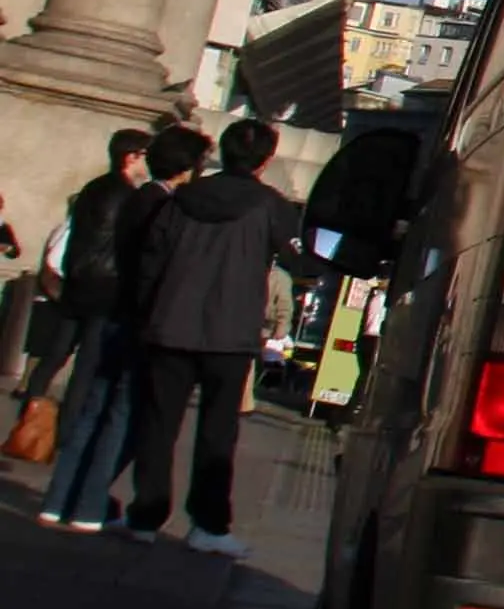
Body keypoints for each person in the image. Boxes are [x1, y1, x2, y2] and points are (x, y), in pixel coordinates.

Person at [125, 118, 319, 554]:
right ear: (265, 161)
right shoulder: (271, 206)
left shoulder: (182, 199)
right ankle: (208, 525)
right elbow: (302, 261)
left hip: (171, 322)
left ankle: (145, 514)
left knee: (159, 424)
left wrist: (148, 312)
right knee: (218, 432)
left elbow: (151, 259)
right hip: (231, 332)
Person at [41, 125, 206, 532]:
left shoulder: (135, 198)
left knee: (93, 408)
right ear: (186, 167)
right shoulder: (166, 207)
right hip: (139, 317)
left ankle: (58, 499)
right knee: (120, 414)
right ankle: (88, 506)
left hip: (114, 311)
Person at [17, 128, 147, 410]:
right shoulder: (128, 196)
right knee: (87, 365)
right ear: (131, 157)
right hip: (107, 287)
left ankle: (29, 412)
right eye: (144, 157)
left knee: (56, 354)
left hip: (78, 281)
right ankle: (66, 429)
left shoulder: (92, 188)